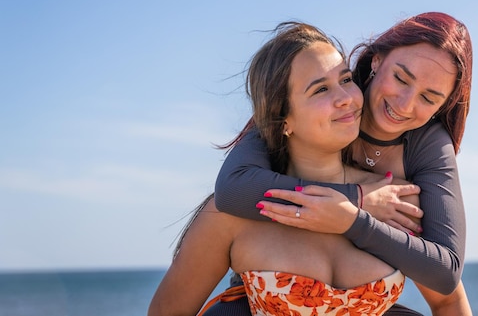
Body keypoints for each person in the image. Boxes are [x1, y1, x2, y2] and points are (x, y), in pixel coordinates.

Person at [210, 12, 474, 315]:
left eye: (429, 98)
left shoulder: (427, 144)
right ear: (376, 61)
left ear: (444, 105)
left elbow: (445, 272)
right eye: (401, 78)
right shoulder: (325, 98)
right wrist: (358, 199)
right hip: (268, 299)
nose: (405, 105)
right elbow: (232, 189)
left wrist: (353, 221)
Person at [148, 22, 419, 316]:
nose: (346, 98)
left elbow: (447, 301)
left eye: (345, 79)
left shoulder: (395, 198)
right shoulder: (231, 215)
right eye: (321, 90)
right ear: (284, 121)